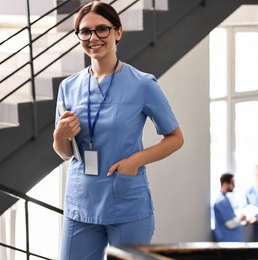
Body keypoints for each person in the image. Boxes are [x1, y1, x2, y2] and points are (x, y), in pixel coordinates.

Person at [52, 2, 184, 259]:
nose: (94, 38)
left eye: (102, 29)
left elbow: (175, 138)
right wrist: (59, 137)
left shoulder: (142, 84)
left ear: (118, 32)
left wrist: (136, 160)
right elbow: (65, 153)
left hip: (126, 202)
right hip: (81, 202)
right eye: (85, 31)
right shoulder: (69, 87)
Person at [213, 173, 246, 242]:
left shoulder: (225, 199)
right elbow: (230, 224)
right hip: (228, 240)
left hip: (231, 239)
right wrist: (240, 218)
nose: (234, 185)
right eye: (232, 183)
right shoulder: (222, 201)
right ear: (225, 184)